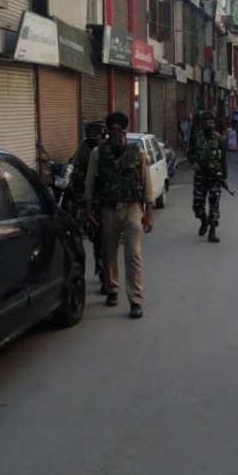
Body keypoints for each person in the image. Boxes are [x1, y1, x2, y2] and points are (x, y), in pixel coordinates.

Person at [84, 111, 154, 319]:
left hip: (133, 209)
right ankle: (112, 288)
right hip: (108, 209)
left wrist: (149, 214)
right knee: (109, 253)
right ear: (107, 131)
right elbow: (90, 181)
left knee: (133, 255)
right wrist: (88, 210)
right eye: (112, 129)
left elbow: (146, 184)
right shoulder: (98, 153)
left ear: (125, 131)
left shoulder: (137, 153)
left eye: (120, 130)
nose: (116, 133)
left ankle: (135, 300)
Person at [71, 122, 105, 292]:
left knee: (104, 242)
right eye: (92, 134)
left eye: (97, 134)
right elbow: (76, 178)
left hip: (105, 202)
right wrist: (84, 202)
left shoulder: (105, 149)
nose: (94, 137)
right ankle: (102, 271)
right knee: (98, 240)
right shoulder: (85, 151)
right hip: (90, 203)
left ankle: (104, 271)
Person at [187, 110, 228, 244]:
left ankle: (212, 232)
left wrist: (225, 177)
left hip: (215, 177)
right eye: (207, 123)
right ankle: (204, 221)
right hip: (200, 177)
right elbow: (189, 153)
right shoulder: (196, 137)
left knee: (214, 205)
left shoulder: (219, 139)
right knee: (197, 206)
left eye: (211, 123)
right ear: (203, 124)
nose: (209, 125)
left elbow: (223, 159)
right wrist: (193, 163)